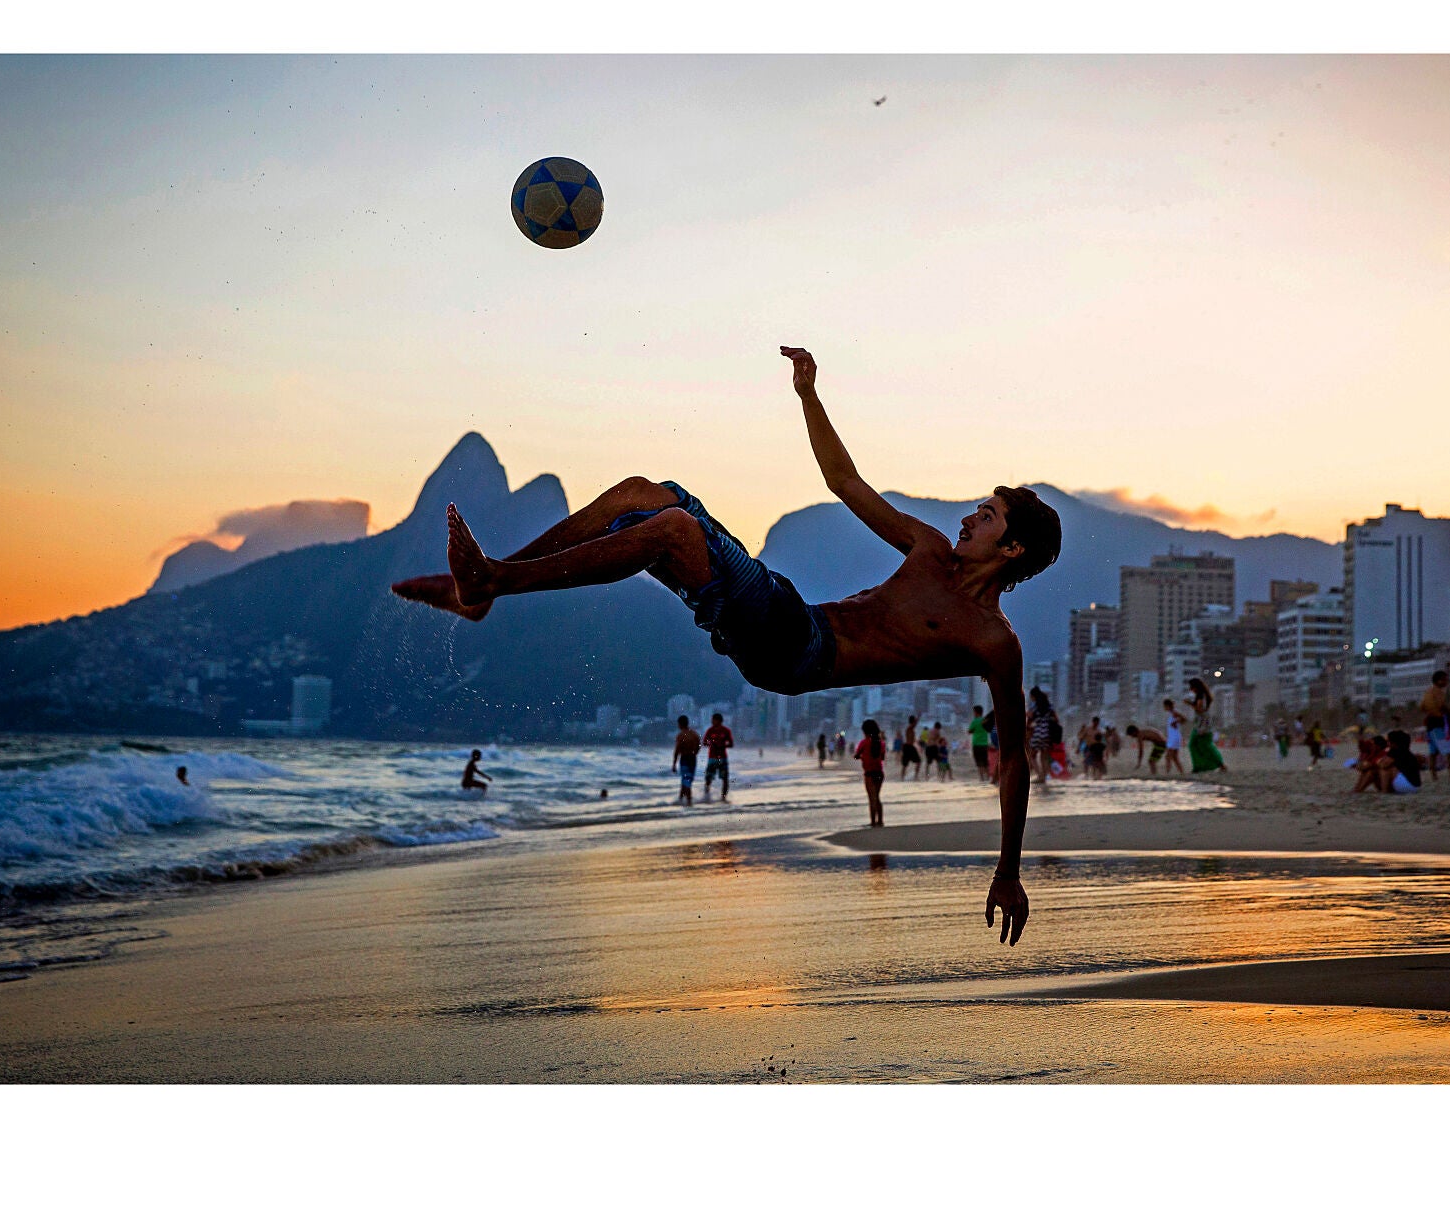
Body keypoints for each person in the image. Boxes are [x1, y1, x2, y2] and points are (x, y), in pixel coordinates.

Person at [392, 346, 1062, 944]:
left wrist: (1007, 872)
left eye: (989, 515)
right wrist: (808, 394)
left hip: (795, 653)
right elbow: (845, 482)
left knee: (676, 528)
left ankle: (493, 580)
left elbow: (1012, 765)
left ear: (1012, 548)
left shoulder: (994, 643)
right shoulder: (930, 551)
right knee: (643, 495)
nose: (971, 515)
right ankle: (482, 589)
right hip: (785, 612)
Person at [1420, 669, 1450, 781]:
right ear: (1439, 681)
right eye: (1445, 680)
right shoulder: (1434, 692)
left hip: (1433, 724)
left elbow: (1422, 707)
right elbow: (1430, 707)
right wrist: (1440, 714)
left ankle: (1435, 775)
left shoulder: (1431, 692)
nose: (1447, 682)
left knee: (1434, 751)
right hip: (1437, 724)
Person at [1183, 679, 1227, 773]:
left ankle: (1220, 764)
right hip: (1200, 724)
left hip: (1203, 724)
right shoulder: (1202, 695)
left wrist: (1190, 703)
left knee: (1205, 746)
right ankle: (1199, 766)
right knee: (1196, 745)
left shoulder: (1201, 695)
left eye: (1192, 687)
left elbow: (1200, 710)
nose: (1191, 689)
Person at [853, 718, 888, 827]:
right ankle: (880, 821)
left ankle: (873, 822)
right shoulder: (881, 743)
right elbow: (882, 758)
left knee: (871, 798)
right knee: (877, 797)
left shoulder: (864, 743)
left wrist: (862, 756)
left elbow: (856, 756)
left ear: (865, 731)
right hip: (879, 773)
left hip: (869, 773)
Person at [1027, 687, 1057, 785]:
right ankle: (1044, 777)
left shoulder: (1035, 706)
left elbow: (1030, 717)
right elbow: (1056, 719)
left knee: (1032, 755)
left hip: (1038, 733)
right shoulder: (1049, 706)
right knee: (1044, 756)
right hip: (1047, 733)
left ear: (1034, 696)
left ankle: (1039, 775)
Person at [704, 712, 735, 802]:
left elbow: (731, 744)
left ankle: (723, 798)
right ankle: (706, 797)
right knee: (708, 779)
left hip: (723, 757)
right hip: (712, 757)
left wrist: (722, 746)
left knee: (724, 779)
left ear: (719, 721)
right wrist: (711, 744)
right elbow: (704, 742)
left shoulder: (726, 731)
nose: (712, 721)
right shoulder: (710, 730)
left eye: (713, 720)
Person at [672, 716, 702, 805]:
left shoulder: (681, 735)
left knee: (686, 781)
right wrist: (694, 753)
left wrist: (674, 763)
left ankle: (689, 801)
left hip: (685, 759)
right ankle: (681, 800)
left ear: (680, 724)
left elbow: (677, 750)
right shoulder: (695, 734)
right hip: (693, 759)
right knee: (687, 780)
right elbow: (699, 746)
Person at [1161, 699, 1187, 774]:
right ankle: (1182, 772)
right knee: (1175, 757)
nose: (1164, 708)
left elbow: (1184, 718)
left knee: (1168, 756)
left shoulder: (1174, 712)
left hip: (1174, 736)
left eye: (1164, 706)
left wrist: (1176, 721)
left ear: (1167, 706)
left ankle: (1167, 773)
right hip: (1173, 736)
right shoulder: (1171, 713)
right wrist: (1176, 722)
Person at [968, 704, 992, 782]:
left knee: (979, 763)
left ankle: (982, 779)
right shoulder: (985, 720)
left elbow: (969, 731)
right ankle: (988, 778)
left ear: (976, 712)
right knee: (985, 762)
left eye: (974, 712)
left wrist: (974, 730)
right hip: (985, 744)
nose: (973, 714)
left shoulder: (975, 721)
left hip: (976, 744)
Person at [899, 715, 923, 781]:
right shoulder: (909, 728)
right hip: (908, 747)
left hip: (909, 747)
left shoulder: (911, 730)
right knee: (905, 764)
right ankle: (902, 778)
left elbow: (913, 740)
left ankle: (915, 776)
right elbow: (914, 724)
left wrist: (919, 746)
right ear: (913, 721)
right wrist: (919, 716)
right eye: (915, 720)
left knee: (918, 762)